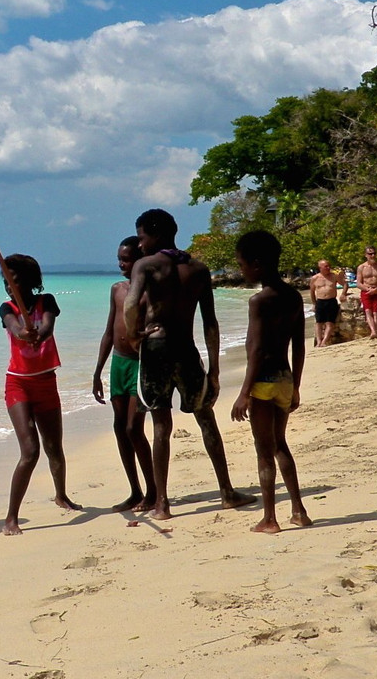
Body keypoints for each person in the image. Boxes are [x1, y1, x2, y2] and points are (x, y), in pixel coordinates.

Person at [123, 209, 254, 520]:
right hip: (186, 349)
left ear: (155, 234)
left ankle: (162, 504)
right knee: (205, 418)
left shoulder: (147, 265)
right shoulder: (197, 268)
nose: (140, 245)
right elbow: (210, 321)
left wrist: (134, 336)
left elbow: (130, 305)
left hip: (156, 348)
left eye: (142, 237)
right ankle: (226, 492)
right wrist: (215, 368)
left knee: (160, 426)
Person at [231, 231, 312, 534]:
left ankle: (269, 518)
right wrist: (296, 385)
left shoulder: (259, 301)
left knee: (264, 451)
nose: (241, 270)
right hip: (285, 378)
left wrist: (244, 393)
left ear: (257, 264)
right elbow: (300, 345)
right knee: (281, 445)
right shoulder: (293, 296)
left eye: (242, 265)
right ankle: (299, 510)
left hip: (263, 381)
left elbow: (256, 349)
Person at [0, 253, 80, 535]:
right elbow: (15, 328)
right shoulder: (6, 307)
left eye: (14, 279)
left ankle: (61, 495)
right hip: (18, 384)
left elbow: (47, 327)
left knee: (54, 447)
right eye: (5, 280)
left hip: (46, 382)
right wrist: (24, 332)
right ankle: (11, 517)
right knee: (30, 451)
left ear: (30, 280)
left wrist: (39, 333)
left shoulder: (47, 301)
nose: (9, 285)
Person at [92, 237, 156, 511]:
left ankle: (153, 491)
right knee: (120, 428)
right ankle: (135, 491)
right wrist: (97, 371)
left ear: (140, 260)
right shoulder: (117, 289)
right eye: (119, 258)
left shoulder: (150, 292)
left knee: (133, 428)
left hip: (141, 363)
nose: (121, 263)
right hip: (119, 363)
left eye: (127, 259)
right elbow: (109, 331)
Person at [308, 259, 347, 347]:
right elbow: (312, 292)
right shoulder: (315, 278)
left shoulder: (334, 276)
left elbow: (345, 284)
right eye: (326, 266)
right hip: (320, 302)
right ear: (320, 267)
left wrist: (343, 294)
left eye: (329, 266)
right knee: (319, 323)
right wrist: (314, 304)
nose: (328, 268)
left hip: (331, 301)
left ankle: (324, 341)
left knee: (330, 323)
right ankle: (318, 342)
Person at [356, 246, 377, 339]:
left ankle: (374, 331)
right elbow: (358, 283)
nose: (372, 255)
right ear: (366, 255)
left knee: (375, 312)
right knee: (368, 311)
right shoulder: (361, 267)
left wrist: (376, 289)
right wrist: (368, 289)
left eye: (374, 253)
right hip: (366, 291)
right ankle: (373, 332)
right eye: (370, 254)